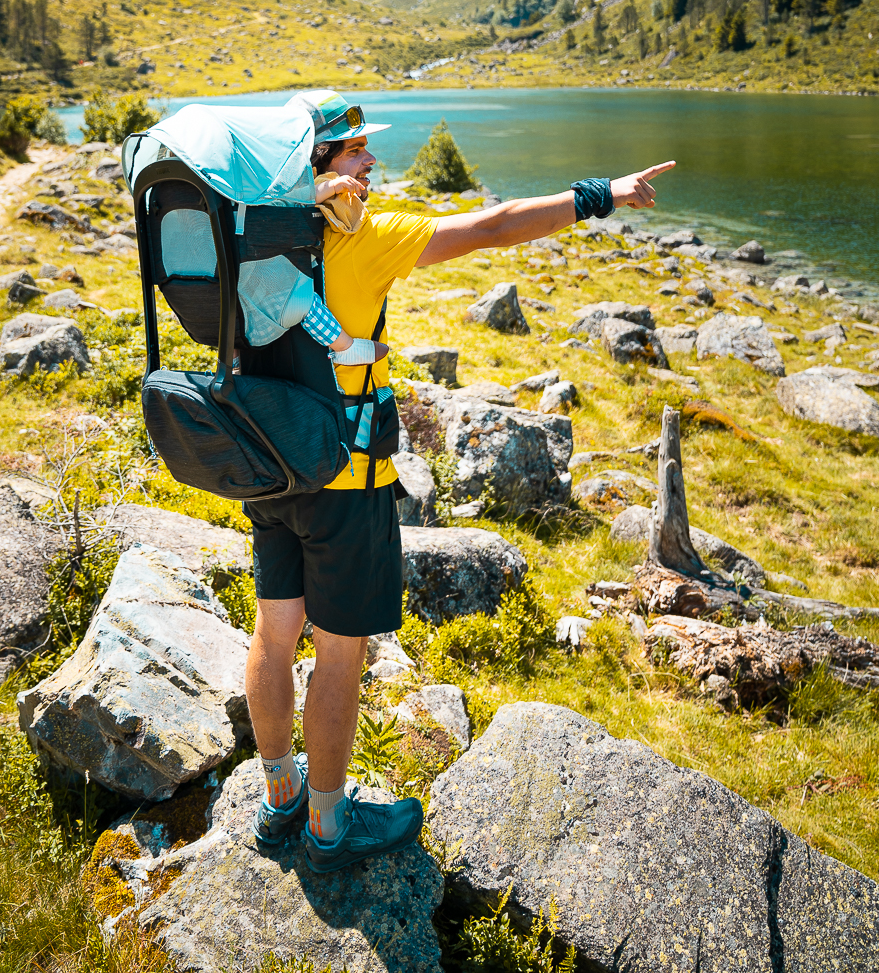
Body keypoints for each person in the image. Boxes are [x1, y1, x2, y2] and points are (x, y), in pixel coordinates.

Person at [243, 90, 674, 872]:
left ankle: (279, 801)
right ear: (319, 161)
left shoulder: (249, 230)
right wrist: (601, 193)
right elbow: (496, 225)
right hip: (345, 471)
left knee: (274, 632)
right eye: (353, 151)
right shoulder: (364, 234)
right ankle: (330, 828)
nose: (368, 160)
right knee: (340, 650)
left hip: (269, 462)